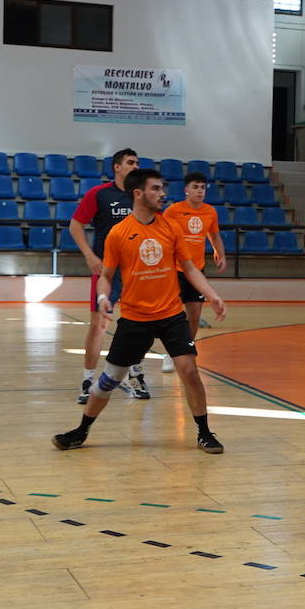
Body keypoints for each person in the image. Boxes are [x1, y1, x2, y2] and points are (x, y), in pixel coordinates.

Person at [53, 168, 228, 454]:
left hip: (171, 315)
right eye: (156, 189)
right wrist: (102, 297)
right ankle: (80, 431)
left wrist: (212, 295)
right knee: (109, 381)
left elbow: (190, 268)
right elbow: (107, 275)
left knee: (189, 370)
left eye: (162, 188)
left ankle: (204, 432)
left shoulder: (170, 227)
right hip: (135, 318)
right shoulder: (118, 234)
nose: (162, 194)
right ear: (138, 193)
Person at [70, 148, 146, 403]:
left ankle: (136, 376)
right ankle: (87, 380)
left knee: (138, 327)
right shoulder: (99, 194)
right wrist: (90, 256)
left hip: (137, 272)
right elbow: (75, 225)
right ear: (117, 166)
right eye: (130, 162)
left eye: (137, 162)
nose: (135, 166)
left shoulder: (141, 195)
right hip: (107, 272)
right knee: (99, 325)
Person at [161, 171, 226, 374]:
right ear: (186, 190)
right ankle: (169, 353)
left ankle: (185, 349)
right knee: (172, 314)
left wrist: (220, 253)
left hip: (196, 270)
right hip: (175, 270)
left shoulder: (210, 212)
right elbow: (161, 234)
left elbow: (214, 235)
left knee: (195, 314)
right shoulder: (173, 211)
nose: (199, 191)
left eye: (202, 187)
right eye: (195, 187)